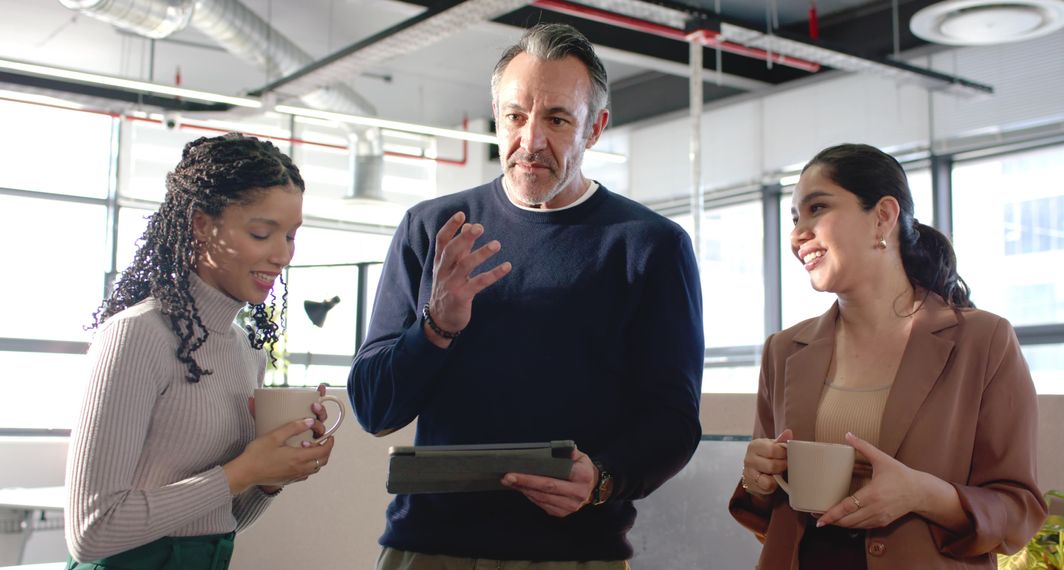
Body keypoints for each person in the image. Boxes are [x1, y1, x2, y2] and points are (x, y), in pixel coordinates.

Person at [348, 23, 704, 569]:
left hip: (573, 552)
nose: (531, 141)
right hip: (429, 548)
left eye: (558, 119)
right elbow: (375, 409)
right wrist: (436, 326)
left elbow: (673, 420)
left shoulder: (649, 247)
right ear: (498, 116)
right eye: (515, 116)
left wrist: (603, 479)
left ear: (595, 128)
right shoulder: (432, 228)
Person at [729, 143, 1047, 569]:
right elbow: (769, 514)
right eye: (794, 218)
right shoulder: (784, 350)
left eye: (817, 208)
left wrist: (921, 494)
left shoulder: (984, 341)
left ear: (883, 216)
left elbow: (1018, 511)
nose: (797, 234)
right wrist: (757, 479)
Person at [65, 132, 336, 569]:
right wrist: (245, 470)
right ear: (203, 225)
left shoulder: (245, 351)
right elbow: (91, 531)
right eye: (263, 233)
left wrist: (269, 476)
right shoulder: (136, 336)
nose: (283, 255)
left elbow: (218, 520)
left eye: (290, 236)